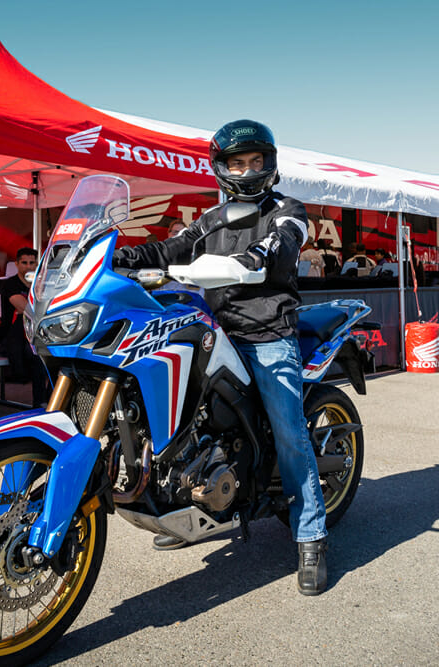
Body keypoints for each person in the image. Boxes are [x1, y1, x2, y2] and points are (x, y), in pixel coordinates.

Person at [112, 119, 329, 596]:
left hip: (267, 334)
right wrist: (116, 256)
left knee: (291, 433)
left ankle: (311, 534)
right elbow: (169, 248)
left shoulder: (286, 210)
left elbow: (280, 244)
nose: (247, 170)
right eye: (238, 162)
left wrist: (254, 259)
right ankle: (186, 512)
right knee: (187, 421)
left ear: (269, 165)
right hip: (214, 331)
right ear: (223, 168)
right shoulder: (211, 219)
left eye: (255, 161)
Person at [0, 247, 50, 407]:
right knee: (36, 354)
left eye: (32, 263)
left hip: (38, 331)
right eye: (24, 263)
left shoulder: (42, 283)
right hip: (14, 336)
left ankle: (50, 398)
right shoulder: (10, 284)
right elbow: (25, 309)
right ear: (17, 264)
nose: (28, 266)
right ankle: (39, 401)